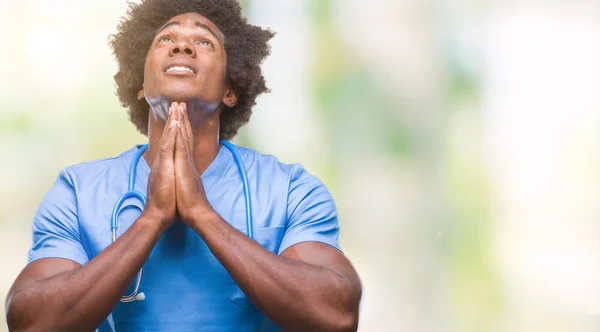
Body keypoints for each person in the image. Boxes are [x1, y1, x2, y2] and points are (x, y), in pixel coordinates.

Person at [5, 0, 362, 331]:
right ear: (141, 85)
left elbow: (336, 315)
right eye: (167, 38)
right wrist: (152, 219)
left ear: (230, 90)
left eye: (204, 42)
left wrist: (201, 213)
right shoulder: (79, 190)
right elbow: (30, 322)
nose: (182, 46)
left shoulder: (290, 189)